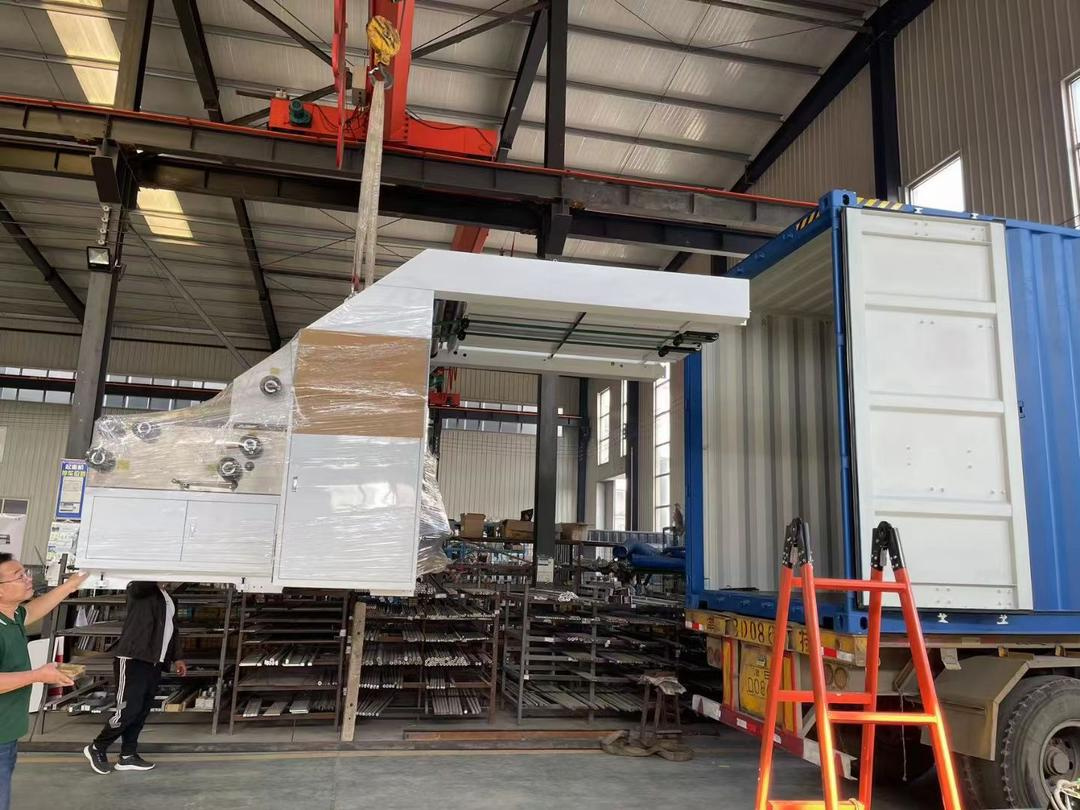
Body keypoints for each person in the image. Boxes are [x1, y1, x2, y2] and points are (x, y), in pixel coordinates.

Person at [0, 554, 89, 810]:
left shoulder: (12, 616)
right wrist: (37, 675)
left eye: (25, 572)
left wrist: (70, 585)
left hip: (7, 732)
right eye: (19, 576)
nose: (28, 579)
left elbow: (36, 608)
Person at [84, 582, 186, 775]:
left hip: (154, 661)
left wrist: (177, 657)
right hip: (133, 658)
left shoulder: (169, 597)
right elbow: (139, 585)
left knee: (141, 711)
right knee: (127, 710)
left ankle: (128, 755)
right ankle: (98, 747)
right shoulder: (140, 588)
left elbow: (173, 630)